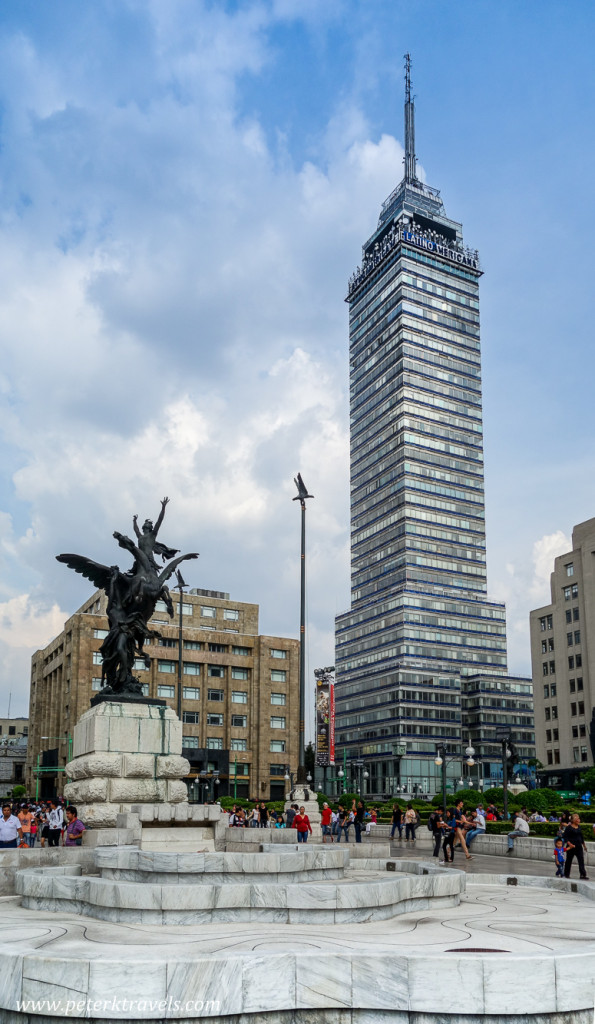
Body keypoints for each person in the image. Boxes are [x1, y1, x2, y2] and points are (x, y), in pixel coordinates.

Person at [563, 813, 589, 880]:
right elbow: (565, 837)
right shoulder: (569, 827)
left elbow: (581, 837)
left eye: (579, 819)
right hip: (571, 847)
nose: (579, 820)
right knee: (569, 860)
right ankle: (566, 874)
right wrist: (569, 844)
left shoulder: (579, 827)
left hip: (578, 846)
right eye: (577, 819)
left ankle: (583, 874)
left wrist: (584, 845)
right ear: (574, 820)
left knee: (581, 860)